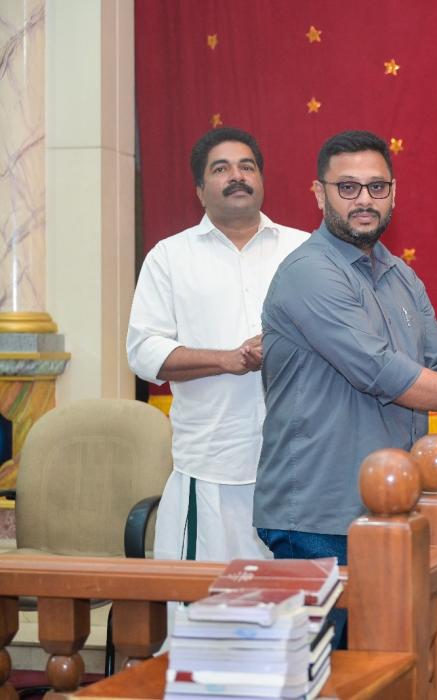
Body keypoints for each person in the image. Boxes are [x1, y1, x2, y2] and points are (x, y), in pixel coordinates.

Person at [253, 131, 437, 566]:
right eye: (347, 187)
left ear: (393, 193)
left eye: (377, 187)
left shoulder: (400, 275)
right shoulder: (309, 272)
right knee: (339, 619)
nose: (364, 200)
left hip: (395, 505)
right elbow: (382, 373)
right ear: (319, 194)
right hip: (320, 516)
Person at [127, 127, 310, 563]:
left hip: (299, 467)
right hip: (210, 470)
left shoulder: (305, 250)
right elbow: (143, 352)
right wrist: (228, 360)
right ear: (199, 189)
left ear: (261, 180)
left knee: (295, 601)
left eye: (247, 166)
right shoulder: (170, 257)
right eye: (221, 168)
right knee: (204, 601)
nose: (237, 176)